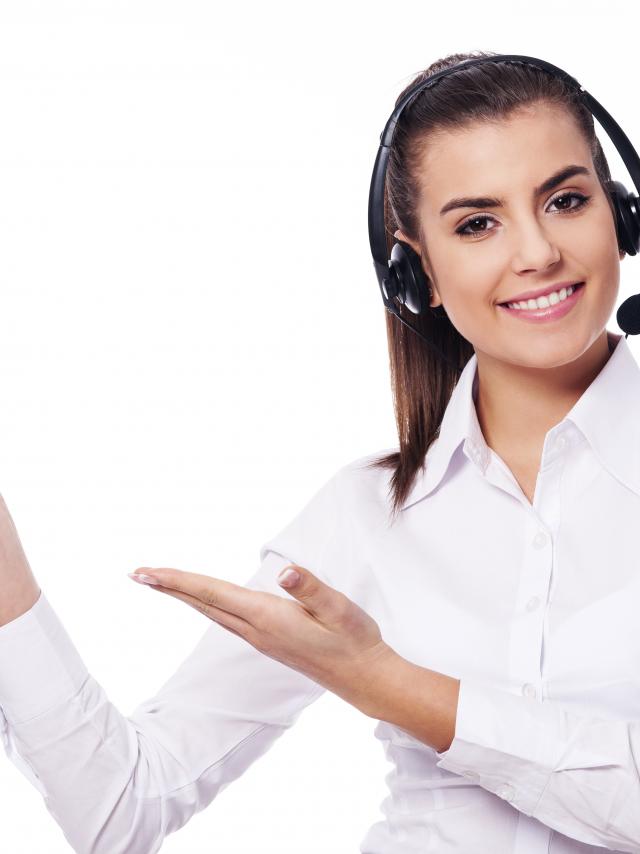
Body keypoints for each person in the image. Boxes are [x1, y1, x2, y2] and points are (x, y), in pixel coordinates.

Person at [0, 48, 639, 853]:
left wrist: (389, 686)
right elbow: (123, 808)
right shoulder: (366, 514)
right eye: (478, 222)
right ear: (417, 274)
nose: (537, 253)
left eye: (566, 200)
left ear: (622, 213)